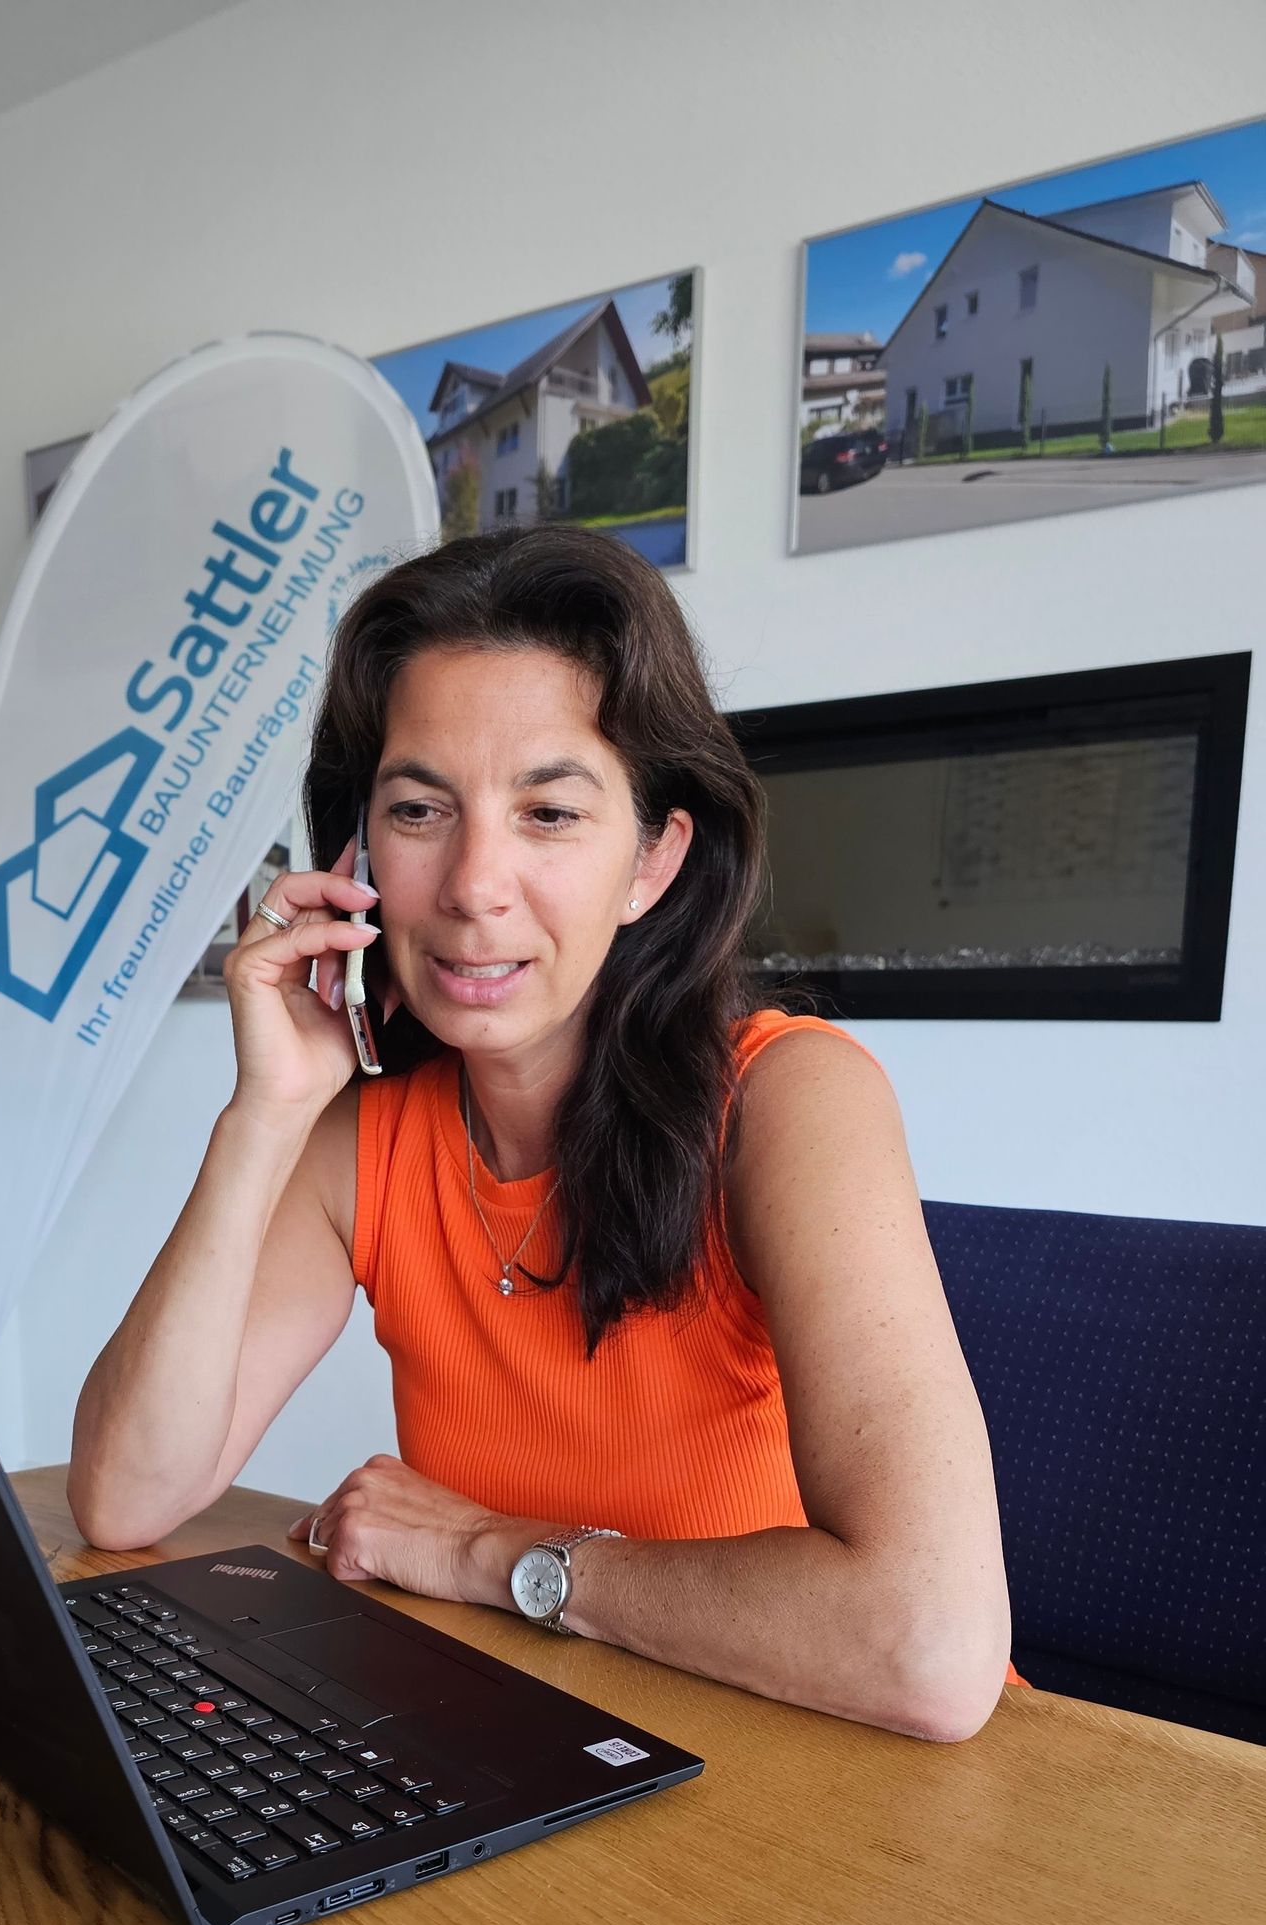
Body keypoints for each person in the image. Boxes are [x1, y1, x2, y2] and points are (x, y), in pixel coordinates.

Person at [69, 526, 1012, 1741]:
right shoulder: (364, 1138)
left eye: (550, 812)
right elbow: (126, 1494)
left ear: (652, 861)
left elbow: (929, 1646)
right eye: (421, 810)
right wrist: (265, 1113)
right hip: (554, 1742)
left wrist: (488, 1551)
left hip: (836, 1764)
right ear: (359, 857)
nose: (474, 884)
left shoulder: (786, 1099)